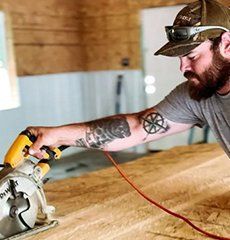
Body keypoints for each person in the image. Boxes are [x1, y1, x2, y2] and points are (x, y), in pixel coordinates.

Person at [27, 0, 230, 159]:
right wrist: (58, 134)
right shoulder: (198, 94)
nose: (183, 67)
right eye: (180, 58)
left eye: (192, 56)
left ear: (227, 45)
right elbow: (137, 126)